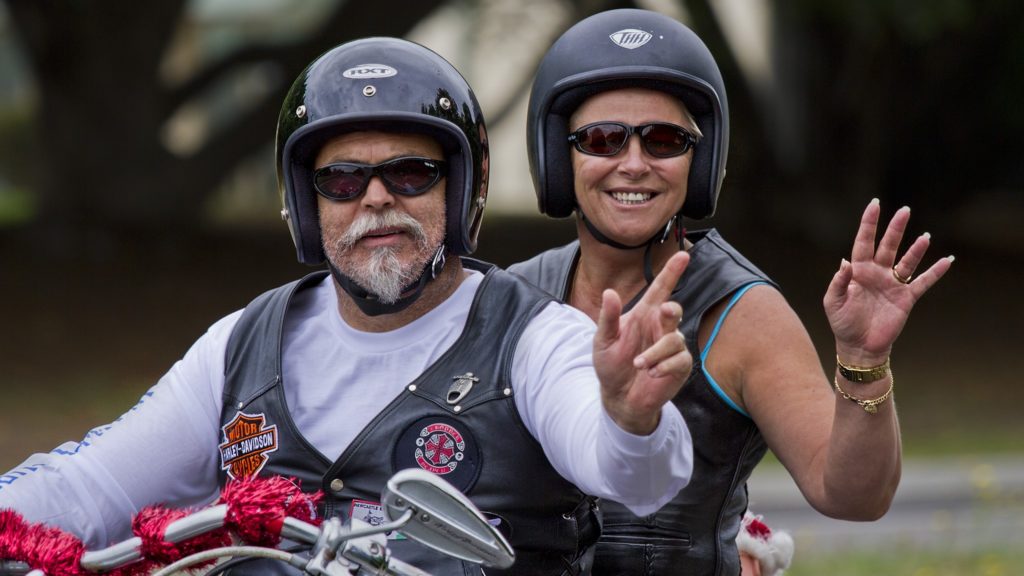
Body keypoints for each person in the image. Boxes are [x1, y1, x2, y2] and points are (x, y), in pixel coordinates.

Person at [0, 37, 698, 575]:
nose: (375, 199)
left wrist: (630, 419)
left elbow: (635, 479)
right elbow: (88, 488)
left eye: (411, 172)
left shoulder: (538, 339)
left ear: (461, 192)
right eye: (341, 178)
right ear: (307, 203)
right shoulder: (244, 344)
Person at [509, 9, 954, 576]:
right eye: (602, 139)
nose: (635, 164)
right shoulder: (514, 295)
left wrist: (864, 360)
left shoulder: (741, 313)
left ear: (699, 161)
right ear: (557, 156)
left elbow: (853, 497)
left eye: (665, 140)